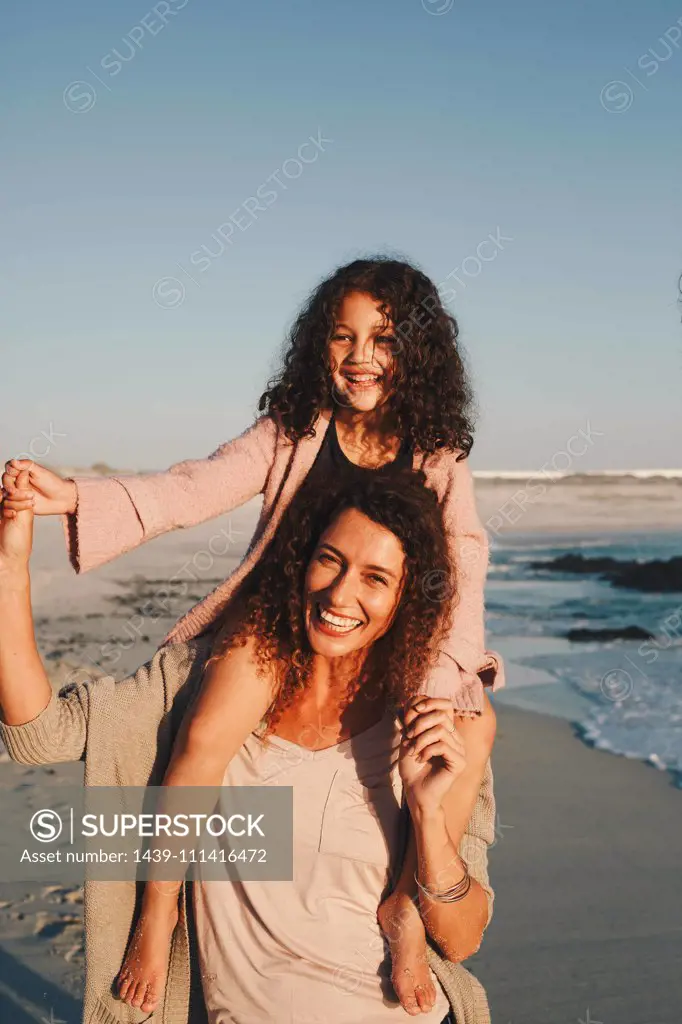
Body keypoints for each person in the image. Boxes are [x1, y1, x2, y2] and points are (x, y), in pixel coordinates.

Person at [1, 257, 503, 1014]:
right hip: (277, 621)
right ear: (318, 346)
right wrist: (73, 497)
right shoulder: (294, 429)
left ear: (417, 353)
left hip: (398, 641)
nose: (361, 356)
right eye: (343, 336)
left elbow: (461, 570)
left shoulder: (438, 456)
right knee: (203, 734)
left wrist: (434, 690)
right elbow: (191, 488)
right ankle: (159, 908)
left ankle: (405, 905)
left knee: (468, 724)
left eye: (384, 339)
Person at [0, 469, 497, 1024]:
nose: (341, 593)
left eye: (375, 578)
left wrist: (428, 816)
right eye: (330, 559)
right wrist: (8, 567)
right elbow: (38, 735)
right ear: (302, 559)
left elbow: (459, 940)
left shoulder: (433, 720)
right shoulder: (213, 681)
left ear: (408, 598)